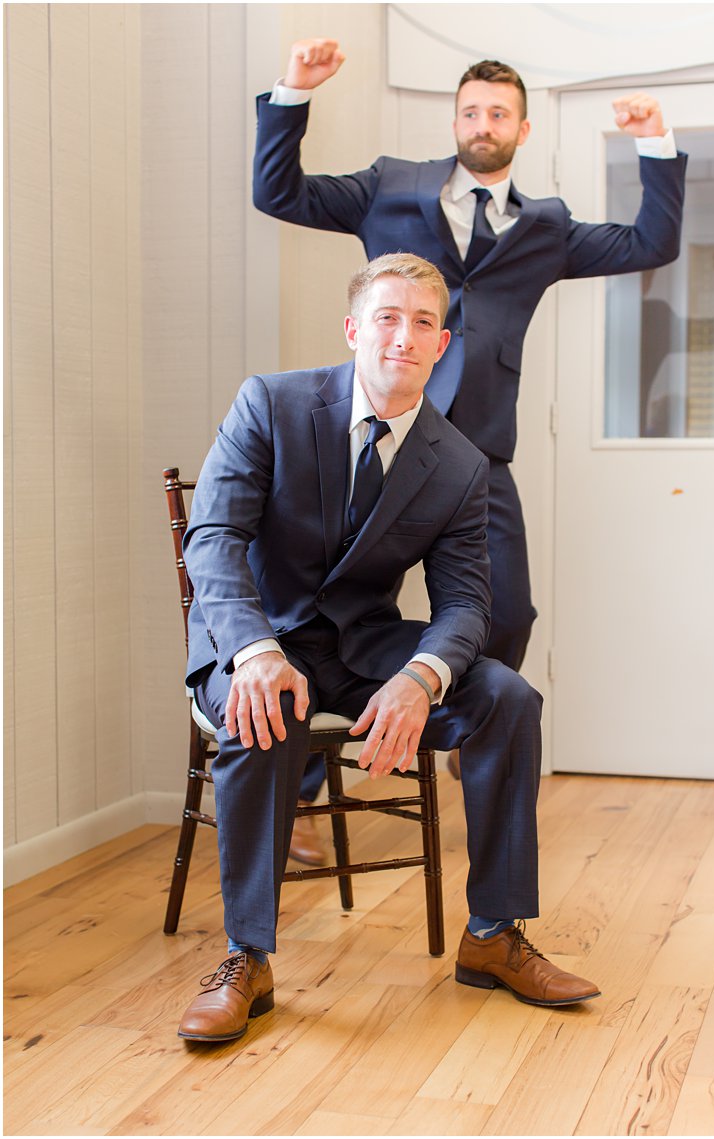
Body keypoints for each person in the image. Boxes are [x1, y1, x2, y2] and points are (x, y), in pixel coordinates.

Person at [252, 38, 687, 842]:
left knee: (507, 609)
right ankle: (305, 785)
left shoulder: (546, 227)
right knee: (320, 604)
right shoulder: (388, 186)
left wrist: (653, 139)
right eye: (470, 110)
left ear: (522, 131)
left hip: (473, 451)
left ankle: (459, 717)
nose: (482, 122)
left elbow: (648, 244)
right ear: (454, 120)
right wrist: (292, 90)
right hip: (372, 437)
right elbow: (278, 191)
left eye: (498, 113)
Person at [177, 254, 598, 1045]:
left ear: (443, 344)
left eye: (424, 323)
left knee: (508, 697)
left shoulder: (461, 463)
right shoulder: (270, 404)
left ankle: (493, 933)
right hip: (259, 641)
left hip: (364, 649)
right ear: (354, 330)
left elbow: (468, 601)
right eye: (388, 317)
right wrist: (254, 650)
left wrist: (422, 676)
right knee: (260, 708)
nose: (404, 336)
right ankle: (247, 957)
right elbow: (214, 539)